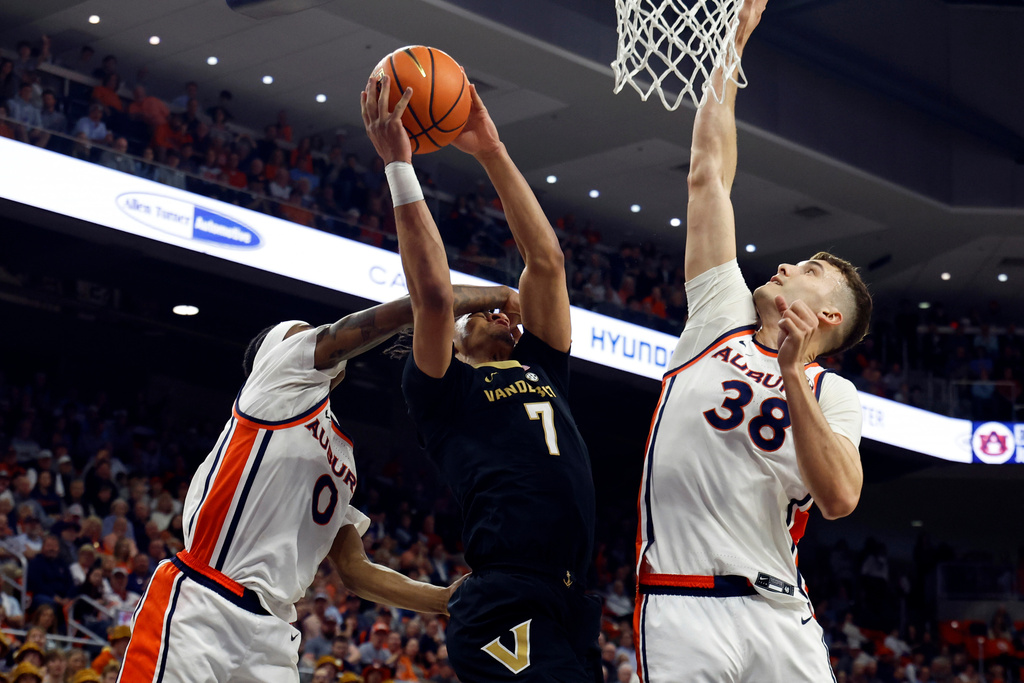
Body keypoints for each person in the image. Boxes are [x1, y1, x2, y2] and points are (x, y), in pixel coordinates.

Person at [631, 1, 873, 681]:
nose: (789, 265)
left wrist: (794, 376)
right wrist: (730, 47)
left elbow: (839, 499)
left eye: (811, 272)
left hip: (778, 616)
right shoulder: (720, 312)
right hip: (682, 605)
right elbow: (708, 174)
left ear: (828, 318)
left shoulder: (835, 393)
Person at [119, 283, 514, 682]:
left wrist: (444, 599)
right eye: (300, 332)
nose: (313, 335)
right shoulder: (273, 385)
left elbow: (354, 568)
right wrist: (469, 300)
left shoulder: (341, 454)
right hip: (204, 601)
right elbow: (357, 328)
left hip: (272, 633)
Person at [361, 74, 601, 682]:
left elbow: (546, 261)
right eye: (483, 315)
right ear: (457, 342)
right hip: (505, 600)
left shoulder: (541, 365)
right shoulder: (444, 391)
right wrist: (398, 165)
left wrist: (491, 149)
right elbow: (436, 297)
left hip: (573, 597)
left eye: (503, 310)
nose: (499, 313)